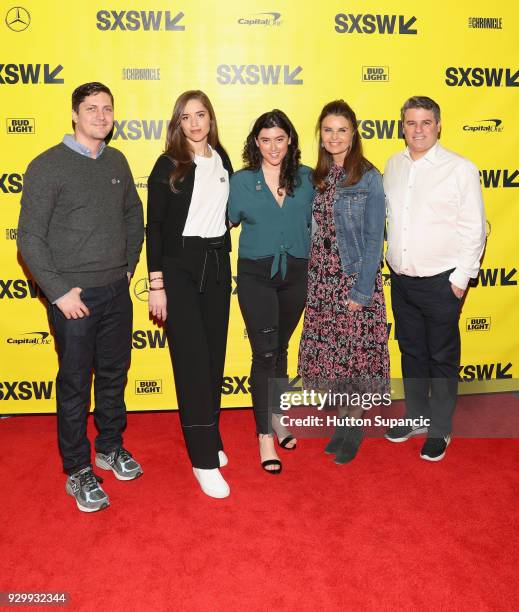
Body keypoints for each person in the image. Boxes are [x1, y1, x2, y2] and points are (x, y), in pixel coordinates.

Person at [17, 82, 145, 513]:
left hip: (115, 292)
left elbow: (133, 214)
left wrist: (128, 265)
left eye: (107, 109)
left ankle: (109, 447)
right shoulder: (47, 166)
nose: (101, 116)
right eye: (92, 109)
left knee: (113, 376)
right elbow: (29, 239)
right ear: (74, 114)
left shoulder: (117, 160)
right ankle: (77, 469)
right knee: (75, 385)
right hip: (74, 297)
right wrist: (57, 292)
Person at [383, 96, 486, 461]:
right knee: (411, 352)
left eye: (426, 122)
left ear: (438, 125)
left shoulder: (460, 168)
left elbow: (475, 228)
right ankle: (416, 417)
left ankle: (440, 428)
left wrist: (461, 279)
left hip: (442, 281)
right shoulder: (393, 165)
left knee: (441, 356)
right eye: (411, 123)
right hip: (402, 278)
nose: (419, 130)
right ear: (402, 126)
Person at [146, 90, 233, 499]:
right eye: (186, 117)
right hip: (179, 270)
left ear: (210, 118)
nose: (194, 123)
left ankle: (210, 438)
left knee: (214, 358)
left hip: (217, 265)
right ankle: (202, 461)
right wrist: (157, 285)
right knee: (193, 361)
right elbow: (156, 229)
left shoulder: (223, 160)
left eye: (200, 115)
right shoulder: (168, 166)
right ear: (177, 123)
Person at [298, 100, 389, 465]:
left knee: (353, 359)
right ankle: (342, 422)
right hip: (321, 279)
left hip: (352, 278)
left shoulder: (368, 176)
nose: (334, 136)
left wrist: (362, 290)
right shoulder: (316, 176)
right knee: (332, 359)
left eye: (342, 130)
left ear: (353, 134)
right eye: (328, 130)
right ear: (321, 135)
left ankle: (353, 427)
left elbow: (373, 238)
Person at [229, 109, 314, 474]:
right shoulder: (241, 181)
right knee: (264, 352)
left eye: (280, 139)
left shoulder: (308, 178)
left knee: (280, 348)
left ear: (290, 140)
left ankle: (277, 418)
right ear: (256, 143)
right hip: (256, 275)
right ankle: (264, 434)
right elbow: (218, 221)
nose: (273, 147)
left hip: (297, 272)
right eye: (265, 140)